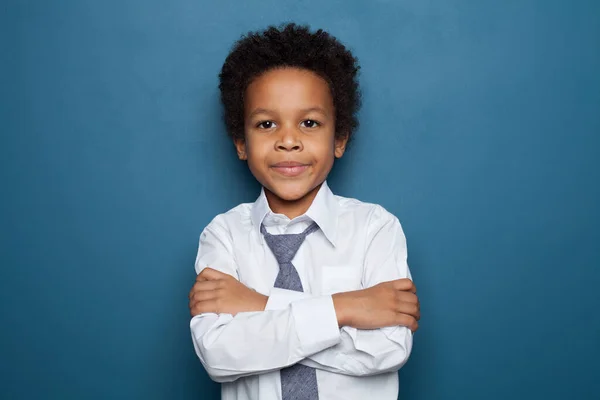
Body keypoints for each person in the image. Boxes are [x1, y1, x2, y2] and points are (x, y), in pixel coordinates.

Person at [188, 23, 421, 400]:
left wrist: (261, 306)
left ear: (340, 139)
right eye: (266, 124)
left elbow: (386, 349)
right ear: (240, 142)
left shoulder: (375, 228)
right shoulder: (224, 235)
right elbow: (220, 355)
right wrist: (349, 307)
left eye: (309, 123)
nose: (288, 141)